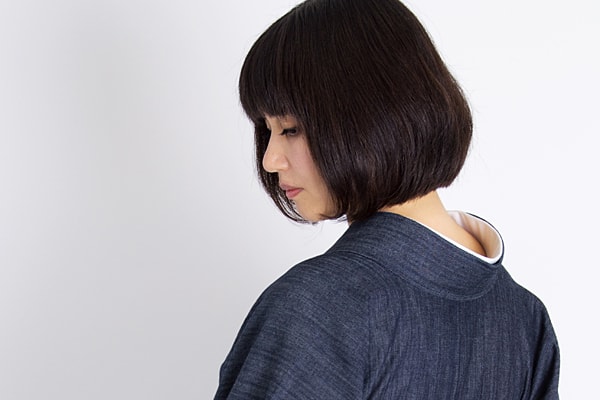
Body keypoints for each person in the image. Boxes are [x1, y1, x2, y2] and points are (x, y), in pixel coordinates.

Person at [215, 0, 560, 398]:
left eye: (290, 128)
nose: (270, 159)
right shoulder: (525, 320)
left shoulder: (321, 306)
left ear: (368, 118)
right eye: (268, 130)